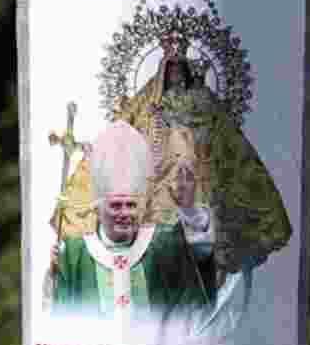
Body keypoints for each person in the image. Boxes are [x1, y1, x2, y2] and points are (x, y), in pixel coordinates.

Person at [46, 121, 213, 327]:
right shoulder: (74, 255)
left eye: (131, 205)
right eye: (116, 206)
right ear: (98, 208)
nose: (124, 213)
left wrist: (189, 209)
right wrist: (53, 275)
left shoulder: (163, 244)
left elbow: (195, 307)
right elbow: (59, 325)